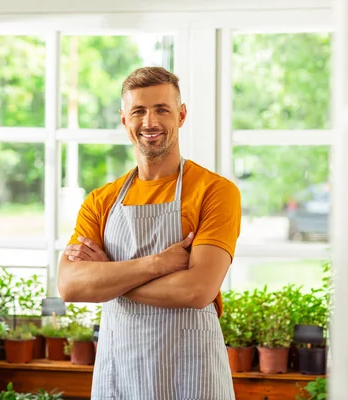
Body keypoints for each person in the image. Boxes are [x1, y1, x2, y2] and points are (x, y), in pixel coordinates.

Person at [57, 66, 241, 400]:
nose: (149, 122)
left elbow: (197, 290)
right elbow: (70, 285)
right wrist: (158, 264)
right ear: (124, 119)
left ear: (181, 115)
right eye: (138, 111)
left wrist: (108, 278)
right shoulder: (101, 200)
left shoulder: (215, 191)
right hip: (119, 373)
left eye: (162, 110)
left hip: (192, 374)